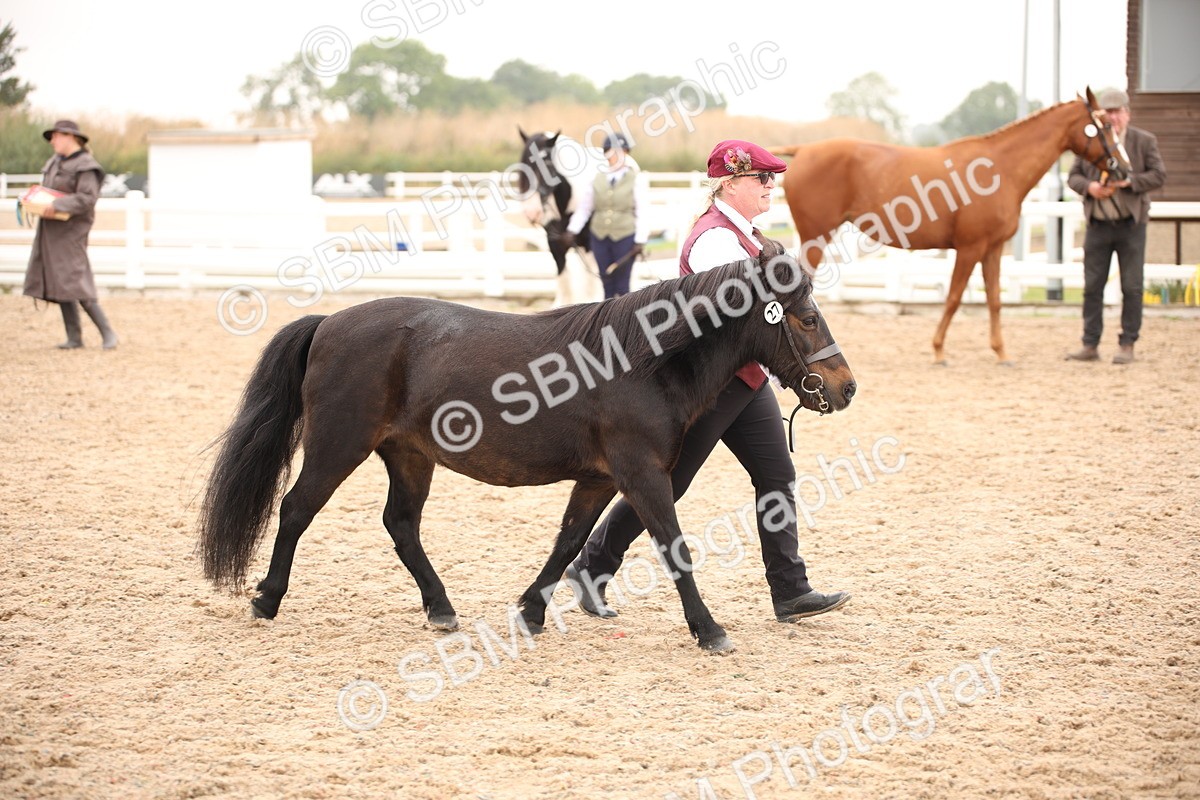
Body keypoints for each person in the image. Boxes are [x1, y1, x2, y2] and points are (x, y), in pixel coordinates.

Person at [565, 139, 850, 624]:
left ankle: (790, 589)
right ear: (730, 183)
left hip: (748, 381)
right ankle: (592, 565)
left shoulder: (753, 237)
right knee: (667, 484)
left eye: (771, 178)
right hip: (708, 386)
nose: (770, 187)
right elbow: (740, 316)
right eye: (761, 179)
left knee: (776, 476)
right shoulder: (716, 240)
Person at [1065, 88, 1166, 365]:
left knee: (1132, 286)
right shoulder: (1091, 143)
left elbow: (1158, 174)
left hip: (1130, 225)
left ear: (1127, 114)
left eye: (1117, 112)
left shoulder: (1143, 142)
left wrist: (1129, 182)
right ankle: (1090, 343)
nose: (1112, 117)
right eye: (1107, 112)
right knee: (1092, 286)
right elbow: (1073, 177)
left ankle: (1127, 343)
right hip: (1098, 224)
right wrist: (1091, 187)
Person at [23, 119, 118, 350]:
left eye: (56, 136)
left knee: (75, 278)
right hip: (51, 230)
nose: (53, 141)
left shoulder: (86, 166)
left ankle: (108, 333)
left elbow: (87, 198)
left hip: (71, 232)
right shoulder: (54, 162)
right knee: (59, 279)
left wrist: (58, 205)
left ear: (70, 137)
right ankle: (74, 337)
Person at [561, 132, 650, 299]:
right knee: (606, 281)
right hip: (599, 237)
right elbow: (585, 209)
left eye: (622, 152)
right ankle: (607, 319)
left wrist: (640, 239)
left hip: (625, 237)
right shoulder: (596, 179)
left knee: (623, 285)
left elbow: (642, 211)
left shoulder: (636, 180)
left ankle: (623, 321)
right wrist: (572, 230)